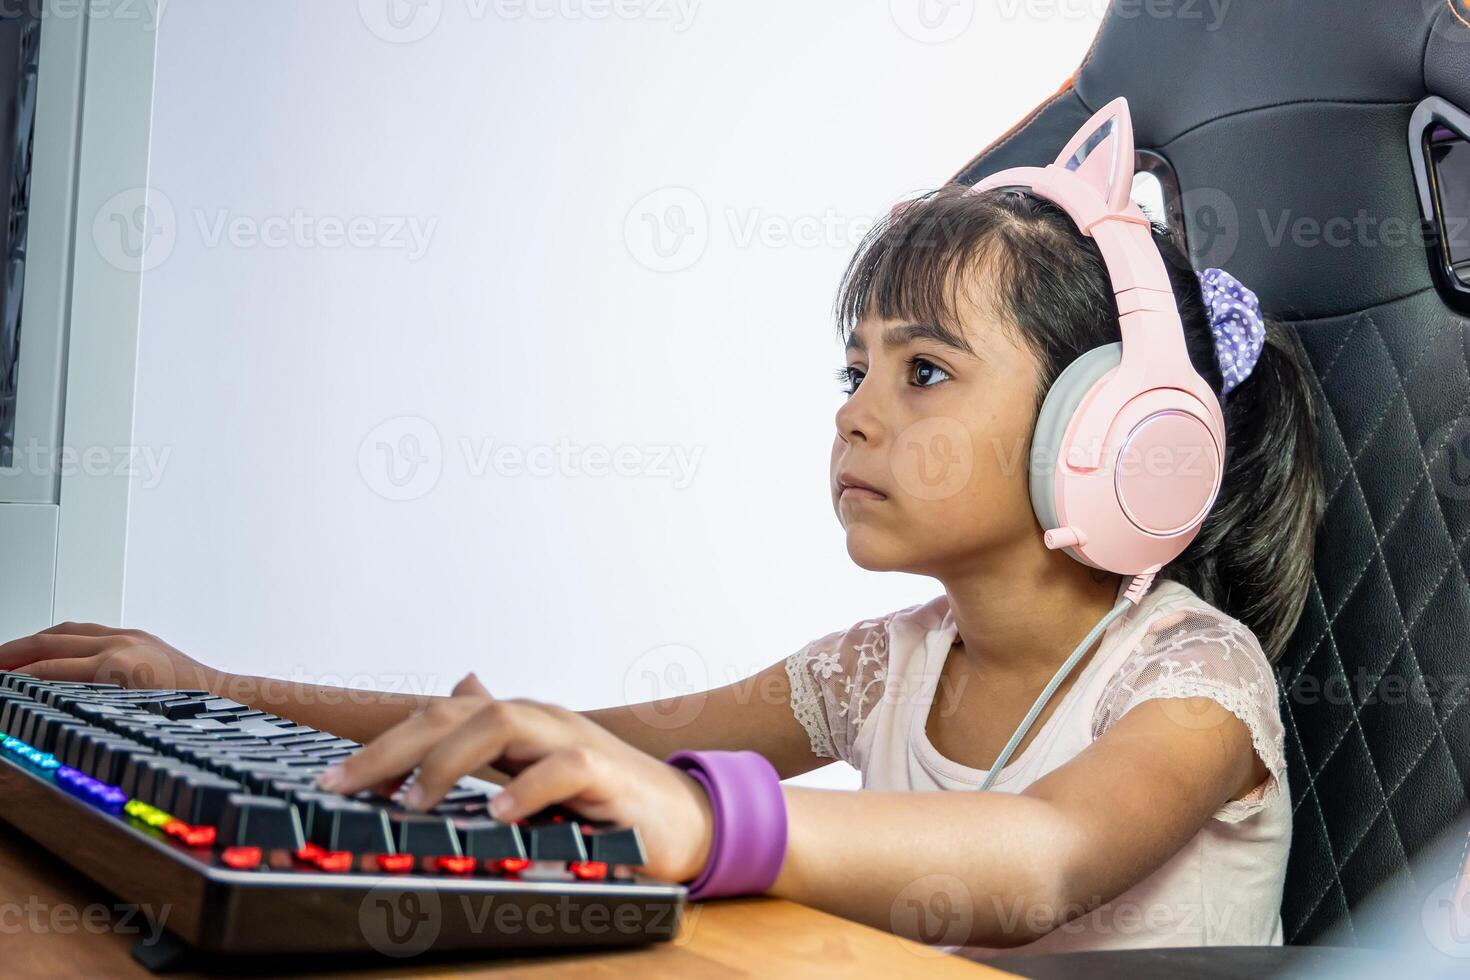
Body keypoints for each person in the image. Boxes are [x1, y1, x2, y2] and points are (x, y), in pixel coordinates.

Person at [0, 104, 1323, 958]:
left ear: (1113, 434)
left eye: (921, 371)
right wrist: (208, 690)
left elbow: (1043, 859)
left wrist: (708, 828)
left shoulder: (1193, 679)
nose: (855, 415)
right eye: (847, 372)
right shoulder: (888, 662)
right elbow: (608, 745)